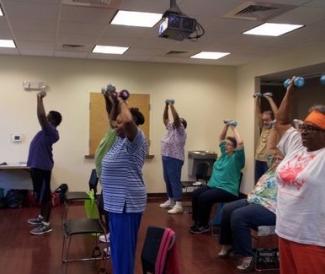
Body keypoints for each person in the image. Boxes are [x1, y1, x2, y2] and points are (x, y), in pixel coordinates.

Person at [274, 77, 325, 274]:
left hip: (313, 239)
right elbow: (281, 121)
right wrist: (290, 90)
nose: (304, 132)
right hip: (285, 231)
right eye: (304, 127)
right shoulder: (296, 145)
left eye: (313, 129)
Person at [217, 125, 282, 272]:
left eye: (280, 157)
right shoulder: (273, 166)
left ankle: (248, 255)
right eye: (275, 157)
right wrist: (275, 127)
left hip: (271, 207)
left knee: (239, 215)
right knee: (228, 209)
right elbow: (271, 148)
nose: (276, 159)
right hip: (255, 199)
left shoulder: (287, 171)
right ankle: (227, 244)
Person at [101, 93, 147, 274]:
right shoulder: (118, 139)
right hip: (116, 203)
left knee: (123, 252)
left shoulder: (135, 140)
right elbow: (113, 118)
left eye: (120, 123)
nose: (116, 125)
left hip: (126, 204)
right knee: (118, 251)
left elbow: (126, 122)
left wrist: (121, 101)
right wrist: (109, 99)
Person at [190, 121, 245, 234]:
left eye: (229, 144)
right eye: (226, 144)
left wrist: (233, 128)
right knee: (195, 194)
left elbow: (240, 143)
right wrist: (226, 126)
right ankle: (197, 222)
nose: (226, 145)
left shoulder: (237, 159)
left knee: (204, 198)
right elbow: (221, 138)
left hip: (227, 189)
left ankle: (204, 225)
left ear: (234, 148)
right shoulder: (223, 155)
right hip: (213, 186)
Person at [27, 90, 62, 235]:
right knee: (41, 195)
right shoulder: (46, 131)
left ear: (52, 121)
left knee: (45, 196)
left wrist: (39, 98)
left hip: (42, 168)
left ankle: (46, 224)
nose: (45, 119)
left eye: (48, 118)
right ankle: (42, 217)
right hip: (38, 167)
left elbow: (40, 115)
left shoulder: (51, 132)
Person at [160, 99, 187, 214]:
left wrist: (171, 105)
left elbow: (176, 119)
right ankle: (171, 200)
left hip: (175, 159)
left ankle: (178, 204)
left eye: (179, 122)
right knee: (167, 179)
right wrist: (166, 106)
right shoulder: (171, 128)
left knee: (174, 181)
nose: (175, 123)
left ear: (182, 125)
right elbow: (165, 119)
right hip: (166, 156)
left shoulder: (181, 131)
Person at [254, 92, 278, 182]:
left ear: (272, 120)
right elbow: (257, 113)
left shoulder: (275, 127)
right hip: (258, 159)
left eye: (267, 120)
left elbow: (277, 114)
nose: (264, 122)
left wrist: (269, 99)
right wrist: (257, 99)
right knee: (258, 182)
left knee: (267, 183)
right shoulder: (264, 127)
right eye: (263, 120)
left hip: (269, 161)